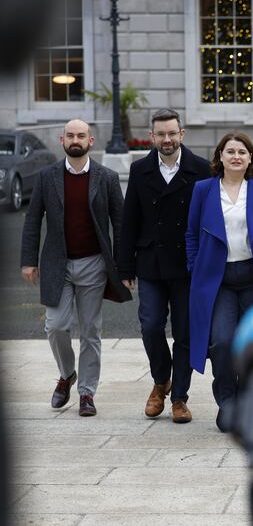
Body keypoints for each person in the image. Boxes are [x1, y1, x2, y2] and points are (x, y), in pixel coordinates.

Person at [20, 119, 131, 416]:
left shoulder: (106, 178)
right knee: (55, 326)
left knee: (90, 331)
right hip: (57, 263)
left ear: (91, 141)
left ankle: (86, 393)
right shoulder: (47, 177)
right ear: (62, 140)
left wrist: (123, 267)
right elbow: (32, 220)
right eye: (70, 135)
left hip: (94, 263)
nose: (75, 139)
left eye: (81, 135)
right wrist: (28, 260)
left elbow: (120, 224)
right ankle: (67, 374)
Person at [185, 132, 253, 432]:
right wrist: (195, 266)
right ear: (219, 157)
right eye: (229, 151)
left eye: (242, 152)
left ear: (250, 159)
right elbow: (192, 233)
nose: (236, 156)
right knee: (222, 340)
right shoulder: (204, 189)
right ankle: (227, 401)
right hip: (218, 281)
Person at [119, 108, 211, 424]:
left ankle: (180, 397)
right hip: (151, 263)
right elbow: (129, 220)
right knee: (151, 325)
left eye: (172, 133)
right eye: (161, 134)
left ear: (181, 134)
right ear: (152, 135)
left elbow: (209, 221)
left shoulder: (201, 169)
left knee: (185, 332)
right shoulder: (141, 169)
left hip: (189, 266)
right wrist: (124, 267)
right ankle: (161, 380)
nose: (167, 139)